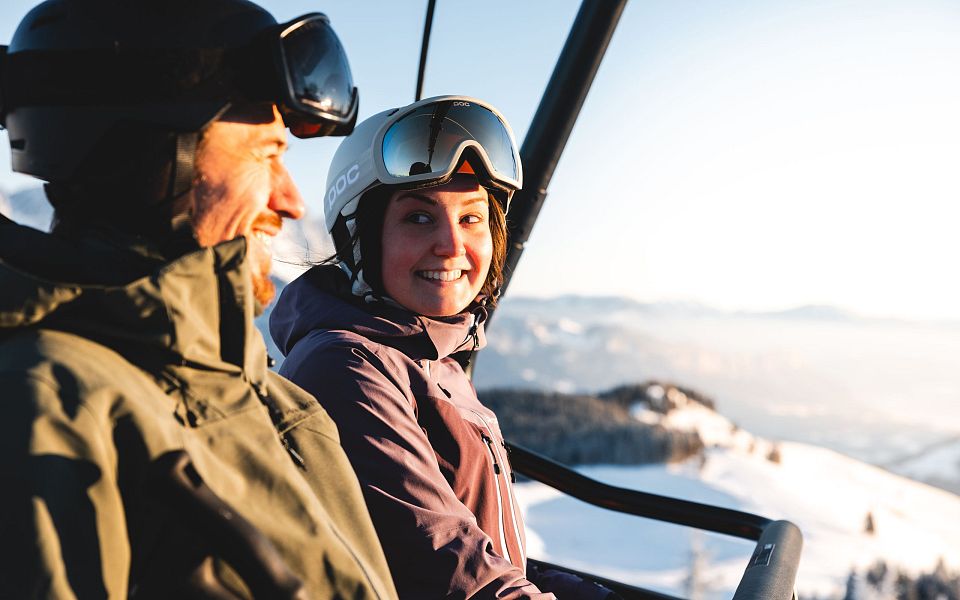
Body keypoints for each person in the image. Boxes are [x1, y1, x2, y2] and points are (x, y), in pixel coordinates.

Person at [0, 1, 397, 598]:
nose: (290, 201)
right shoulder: (52, 404)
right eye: (267, 156)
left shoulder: (274, 400)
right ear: (156, 162)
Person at [271, 96, 618, 599]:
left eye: (472, 219)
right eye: (418, 218)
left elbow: (488, 553)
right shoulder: (348, 369)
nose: (452, 246)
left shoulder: (431, 356)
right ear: (361, 239)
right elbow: (457, 577)